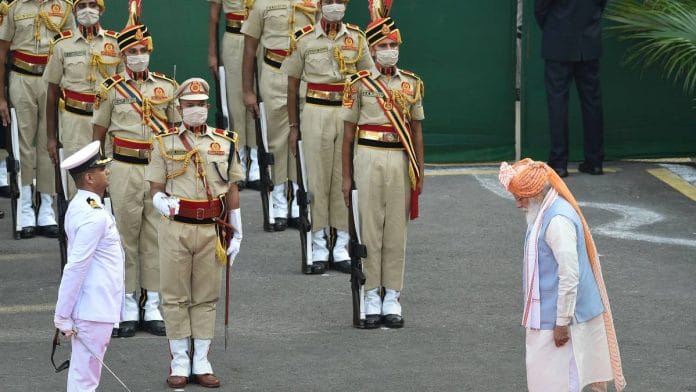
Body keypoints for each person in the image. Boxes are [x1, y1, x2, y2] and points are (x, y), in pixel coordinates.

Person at [146, 78, 244, 389]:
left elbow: (232, 188)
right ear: (179, 108)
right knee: (175, 295)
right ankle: (179, 359)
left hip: (211, 228)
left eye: (202, 104)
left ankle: (201, 359)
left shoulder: (225, 142)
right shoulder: (164, 142)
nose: (197, 110)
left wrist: (238, 230)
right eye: (190, 104)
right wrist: (162, 202)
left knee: (206, 295)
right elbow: (155, 188)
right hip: (176, 227)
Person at [498, 158, 626, 392]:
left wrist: (562, 323)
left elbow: (569, 275)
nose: (518, 205)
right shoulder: (545, 211)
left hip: (560, 322)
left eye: (520, 198)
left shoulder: (556, 220)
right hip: (550, 318)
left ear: (535, 193)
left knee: (559, 385)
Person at [92, 19, 177, 337]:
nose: (139, 56)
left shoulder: (167, 88)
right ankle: (127, 304)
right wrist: (100, 176)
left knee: (155, 236)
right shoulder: (111, 91)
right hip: (124, 169)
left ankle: (152, 304)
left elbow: (177, 135)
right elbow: (97, 136)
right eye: (132, 52)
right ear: (123, 56)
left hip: (156, 171)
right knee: (124, 239)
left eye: (143, 50)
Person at [341, 11, 424, 328]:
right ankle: (371, 292)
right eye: (384, 45)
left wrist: (421, 171)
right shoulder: (358, 85)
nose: (391, 49)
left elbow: (416, 130)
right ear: (372, 51)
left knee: (396, 231)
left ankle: (393, 294)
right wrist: (346, 177)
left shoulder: (410, 83)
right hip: (368, 156)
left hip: (400, 160)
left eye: (394, 44)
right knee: (370, 228)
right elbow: (348, 135)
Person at [282, 0, 374, 272]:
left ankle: (342, 243)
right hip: (316, 112)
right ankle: (319, 242)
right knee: (317, 178)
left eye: (339, 1)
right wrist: (293, 126)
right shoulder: (304, 38)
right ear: (320, 4)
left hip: (347, 113)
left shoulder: (357, 38)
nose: (334, 6)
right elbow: (291, 86)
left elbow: (369, 77)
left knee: (343, 177)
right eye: (329, 1)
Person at [0, 0, 75, 238]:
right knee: (22, 143)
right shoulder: (15, 7)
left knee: (48, 142)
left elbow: (71, 45)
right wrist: (1, 97)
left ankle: (46, 205)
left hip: (51, 81)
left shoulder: (64, 7)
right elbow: (2, 52)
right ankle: (24, 206)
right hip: (21, 77)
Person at [241, 0, 318, 231]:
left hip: (305, 75)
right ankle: (278, 201)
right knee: (276, 140)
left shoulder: (314, 3)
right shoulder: (261, 4)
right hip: (274, 73)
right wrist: (247, 90)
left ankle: (297, 198)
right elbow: (249, 48)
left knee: (301, 140)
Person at [53, 140, 124, 392]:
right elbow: (76, 267)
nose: (108, 172)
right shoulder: (93, 215)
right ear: (90, 177)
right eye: (103, 170)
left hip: (93, 307)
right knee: (85, 381)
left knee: (84, 377)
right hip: (93, 308)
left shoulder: (83, 204)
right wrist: (62, 315)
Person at [45, 0, 122, 198]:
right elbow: (52, 92)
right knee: (79, 178)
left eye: (93, 5)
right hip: (75, 120)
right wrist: (52, 137)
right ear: (74, 10)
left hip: (108, 123)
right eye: (82, 6)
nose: (88, 10)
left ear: (101, 9)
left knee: (111, 176)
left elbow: (124, 87)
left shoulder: (115, 43)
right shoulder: (62, 44)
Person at [535, 0, 607, 177]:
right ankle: (595, 161)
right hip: (589, 41)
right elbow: (601, 4)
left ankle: (559, 163)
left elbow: (540, 9)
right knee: (592, 102)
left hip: (558, 41)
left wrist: (553, 27)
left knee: (557, 103)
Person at [208, 0, 260, 190]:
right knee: (235, 104)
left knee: (258, 101)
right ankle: (240, 163)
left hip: (261, 40)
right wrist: (212, 53)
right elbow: (214, 18)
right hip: (234, 37)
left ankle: (257, 163)